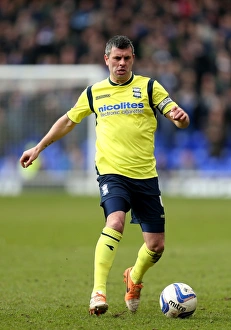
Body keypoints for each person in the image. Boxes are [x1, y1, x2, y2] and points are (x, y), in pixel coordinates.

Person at [20, 35, 190, 316]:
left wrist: (179, 118)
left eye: (126, 58)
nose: (121, 63)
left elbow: (173, 112)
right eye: (116, 58)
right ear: (107, 59)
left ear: (132, 59)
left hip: (145, 176)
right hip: (112, 174)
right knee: (116, 221)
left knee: (156, 246)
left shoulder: (149, 87)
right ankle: (98, 291)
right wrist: (39, 147)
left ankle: (133, 278)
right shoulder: (94, 92)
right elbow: (68, 120)